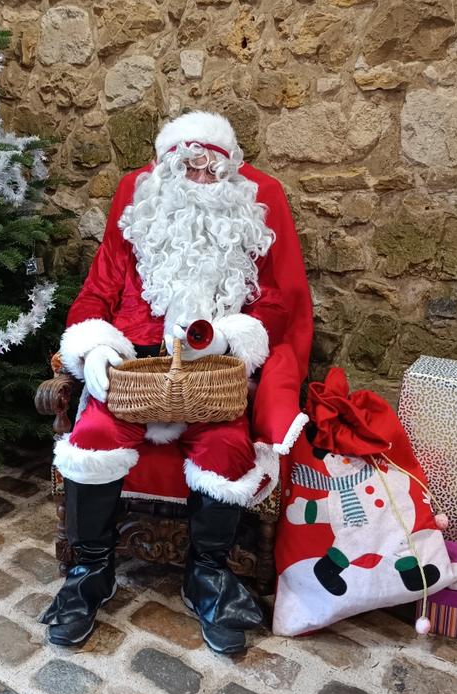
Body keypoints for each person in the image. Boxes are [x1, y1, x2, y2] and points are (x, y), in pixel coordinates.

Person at [41, 111, 313, 653]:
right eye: (191, 170)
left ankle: (207, 576)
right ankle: (89, 574)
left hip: (212, 380)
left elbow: (278, 305)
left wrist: (227, 339)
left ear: (232, 175)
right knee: (91, 437)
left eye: (213, 172)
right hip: (131, 373)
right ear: (166, 172)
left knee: (227, 446)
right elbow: (96, 292)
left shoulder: (249, 226)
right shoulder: (138, 218)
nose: (202, 182)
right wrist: (92, 346)